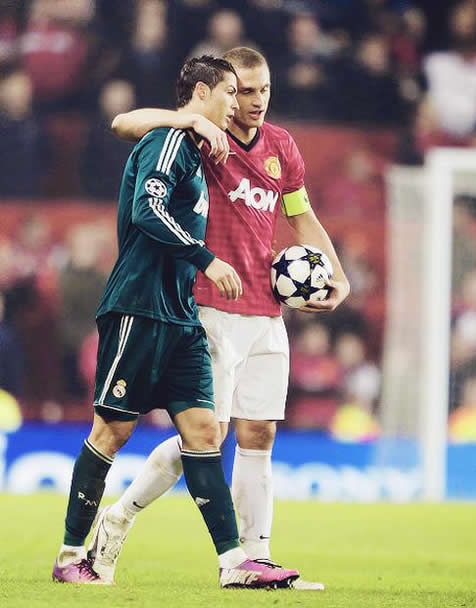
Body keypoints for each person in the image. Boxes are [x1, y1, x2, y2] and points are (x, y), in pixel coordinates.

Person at [100, 46, 350, 589]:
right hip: (211, 305)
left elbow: (299, 215)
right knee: (207, 433)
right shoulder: (201, 137)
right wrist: (187, 116)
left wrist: (338, 272)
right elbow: (125, 123)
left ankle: (257, 555)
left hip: (268, 310)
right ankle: (120, 516)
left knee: (259, 432)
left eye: (265, 91)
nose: (257, 102)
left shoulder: (282, 146)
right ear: (228, 93)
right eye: (247, 91)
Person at [52, 54, 299, 590]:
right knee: (112, 430)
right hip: (138, 305)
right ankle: (72, 554)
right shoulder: (170, 142)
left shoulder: (201, 146)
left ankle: (234, 562)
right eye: (232, 92)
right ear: (205, 91)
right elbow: (147, 208)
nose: (237, 103)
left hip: (180, 312)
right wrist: (204, 256)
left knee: (205, 431)